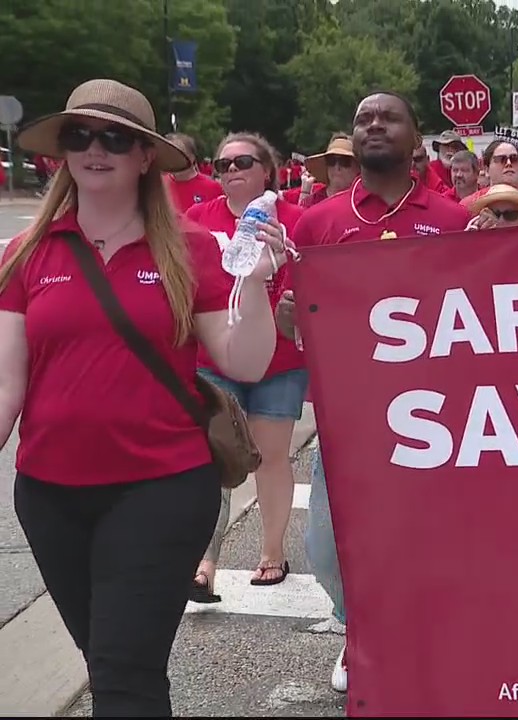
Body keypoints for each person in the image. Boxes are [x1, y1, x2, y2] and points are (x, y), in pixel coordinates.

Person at [0, 78, 286, 716]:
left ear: (144, 156)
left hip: (161, 488)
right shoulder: (24, 255)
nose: (95, 149)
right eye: (79, 134)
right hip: (49, 496)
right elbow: (5, 385)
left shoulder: (191, 250)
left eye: (115, 137)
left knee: (125, 672)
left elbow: (245, 359)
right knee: (110, 665)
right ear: (61, 152)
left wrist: (259, 286)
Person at [278, 89, 471, 694]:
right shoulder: (318, 224)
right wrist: (289, 317)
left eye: (389, 117)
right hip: (349, 419)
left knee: (429, 541)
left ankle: (424, 639)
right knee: (330, 545)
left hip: (436, 416)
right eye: (364, 119)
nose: (375, 126)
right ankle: (355, 628)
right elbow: (293, 321)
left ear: (415, 139)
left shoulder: (454, 221)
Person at [184, 132, 308, 601]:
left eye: (242, 162)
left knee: (271, 457)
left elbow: (312, 289)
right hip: (215, 356)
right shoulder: (200, 219)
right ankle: (204, 563)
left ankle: (272, 552)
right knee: (216, 457)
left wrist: (284, 266)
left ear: (266, 171)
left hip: (280, 359)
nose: (231, 172)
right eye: (221, 165)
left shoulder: (295, 220)